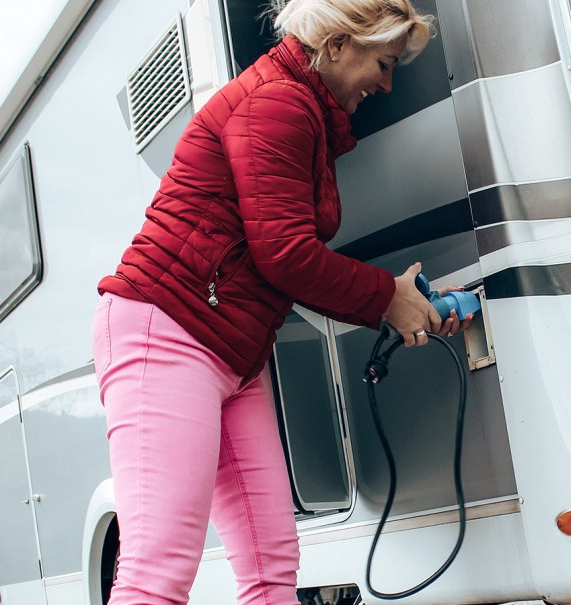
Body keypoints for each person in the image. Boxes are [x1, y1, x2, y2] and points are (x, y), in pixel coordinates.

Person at [91, 1, 465, 603]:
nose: (388, 83)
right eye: (384, 62)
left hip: (232, 352)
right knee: (157, 572)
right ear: (339, 44)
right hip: (166, 332)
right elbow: (285, 254)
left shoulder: (301, 108)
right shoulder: (278, 104)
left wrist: (392, 300)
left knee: (272, 565)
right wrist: (386, 299)